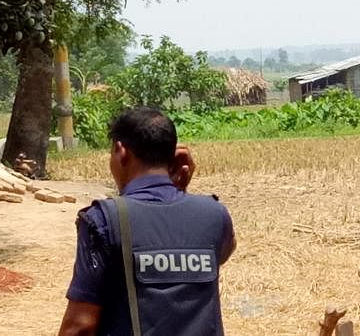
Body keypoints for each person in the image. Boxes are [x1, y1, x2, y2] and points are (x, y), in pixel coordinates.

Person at [59, 107, 236, 336]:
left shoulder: (104, 220)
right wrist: (179, 191)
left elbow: (80, 327)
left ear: (121, 151)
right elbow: (217, 255)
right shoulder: (214, 214)